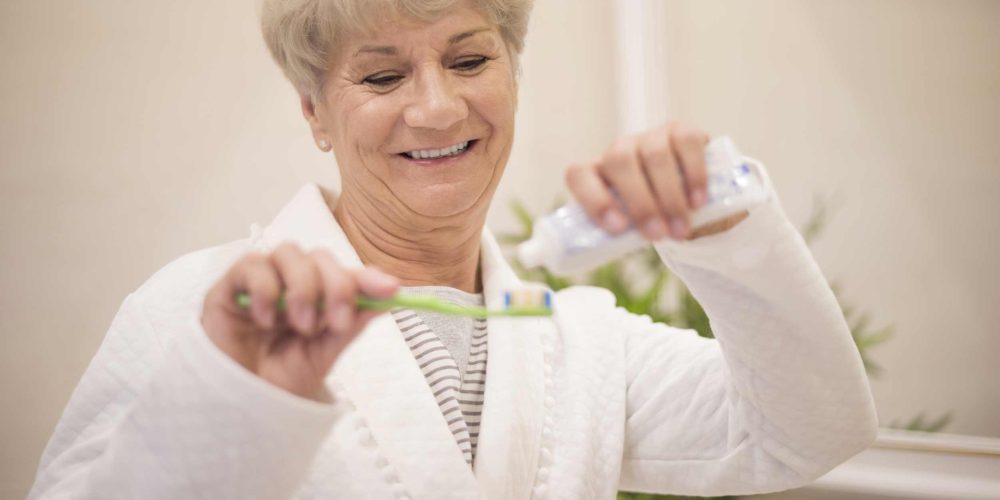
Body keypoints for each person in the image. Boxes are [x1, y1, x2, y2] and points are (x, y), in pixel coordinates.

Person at [28, 1, 878, 499]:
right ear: (315, 113)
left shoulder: (580, 341)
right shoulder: (199, 309)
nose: (436, 109)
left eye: (470, 59)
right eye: (383, 77)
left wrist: (721, 231)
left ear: (514, 75)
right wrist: (230, 403)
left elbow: (809, 431)